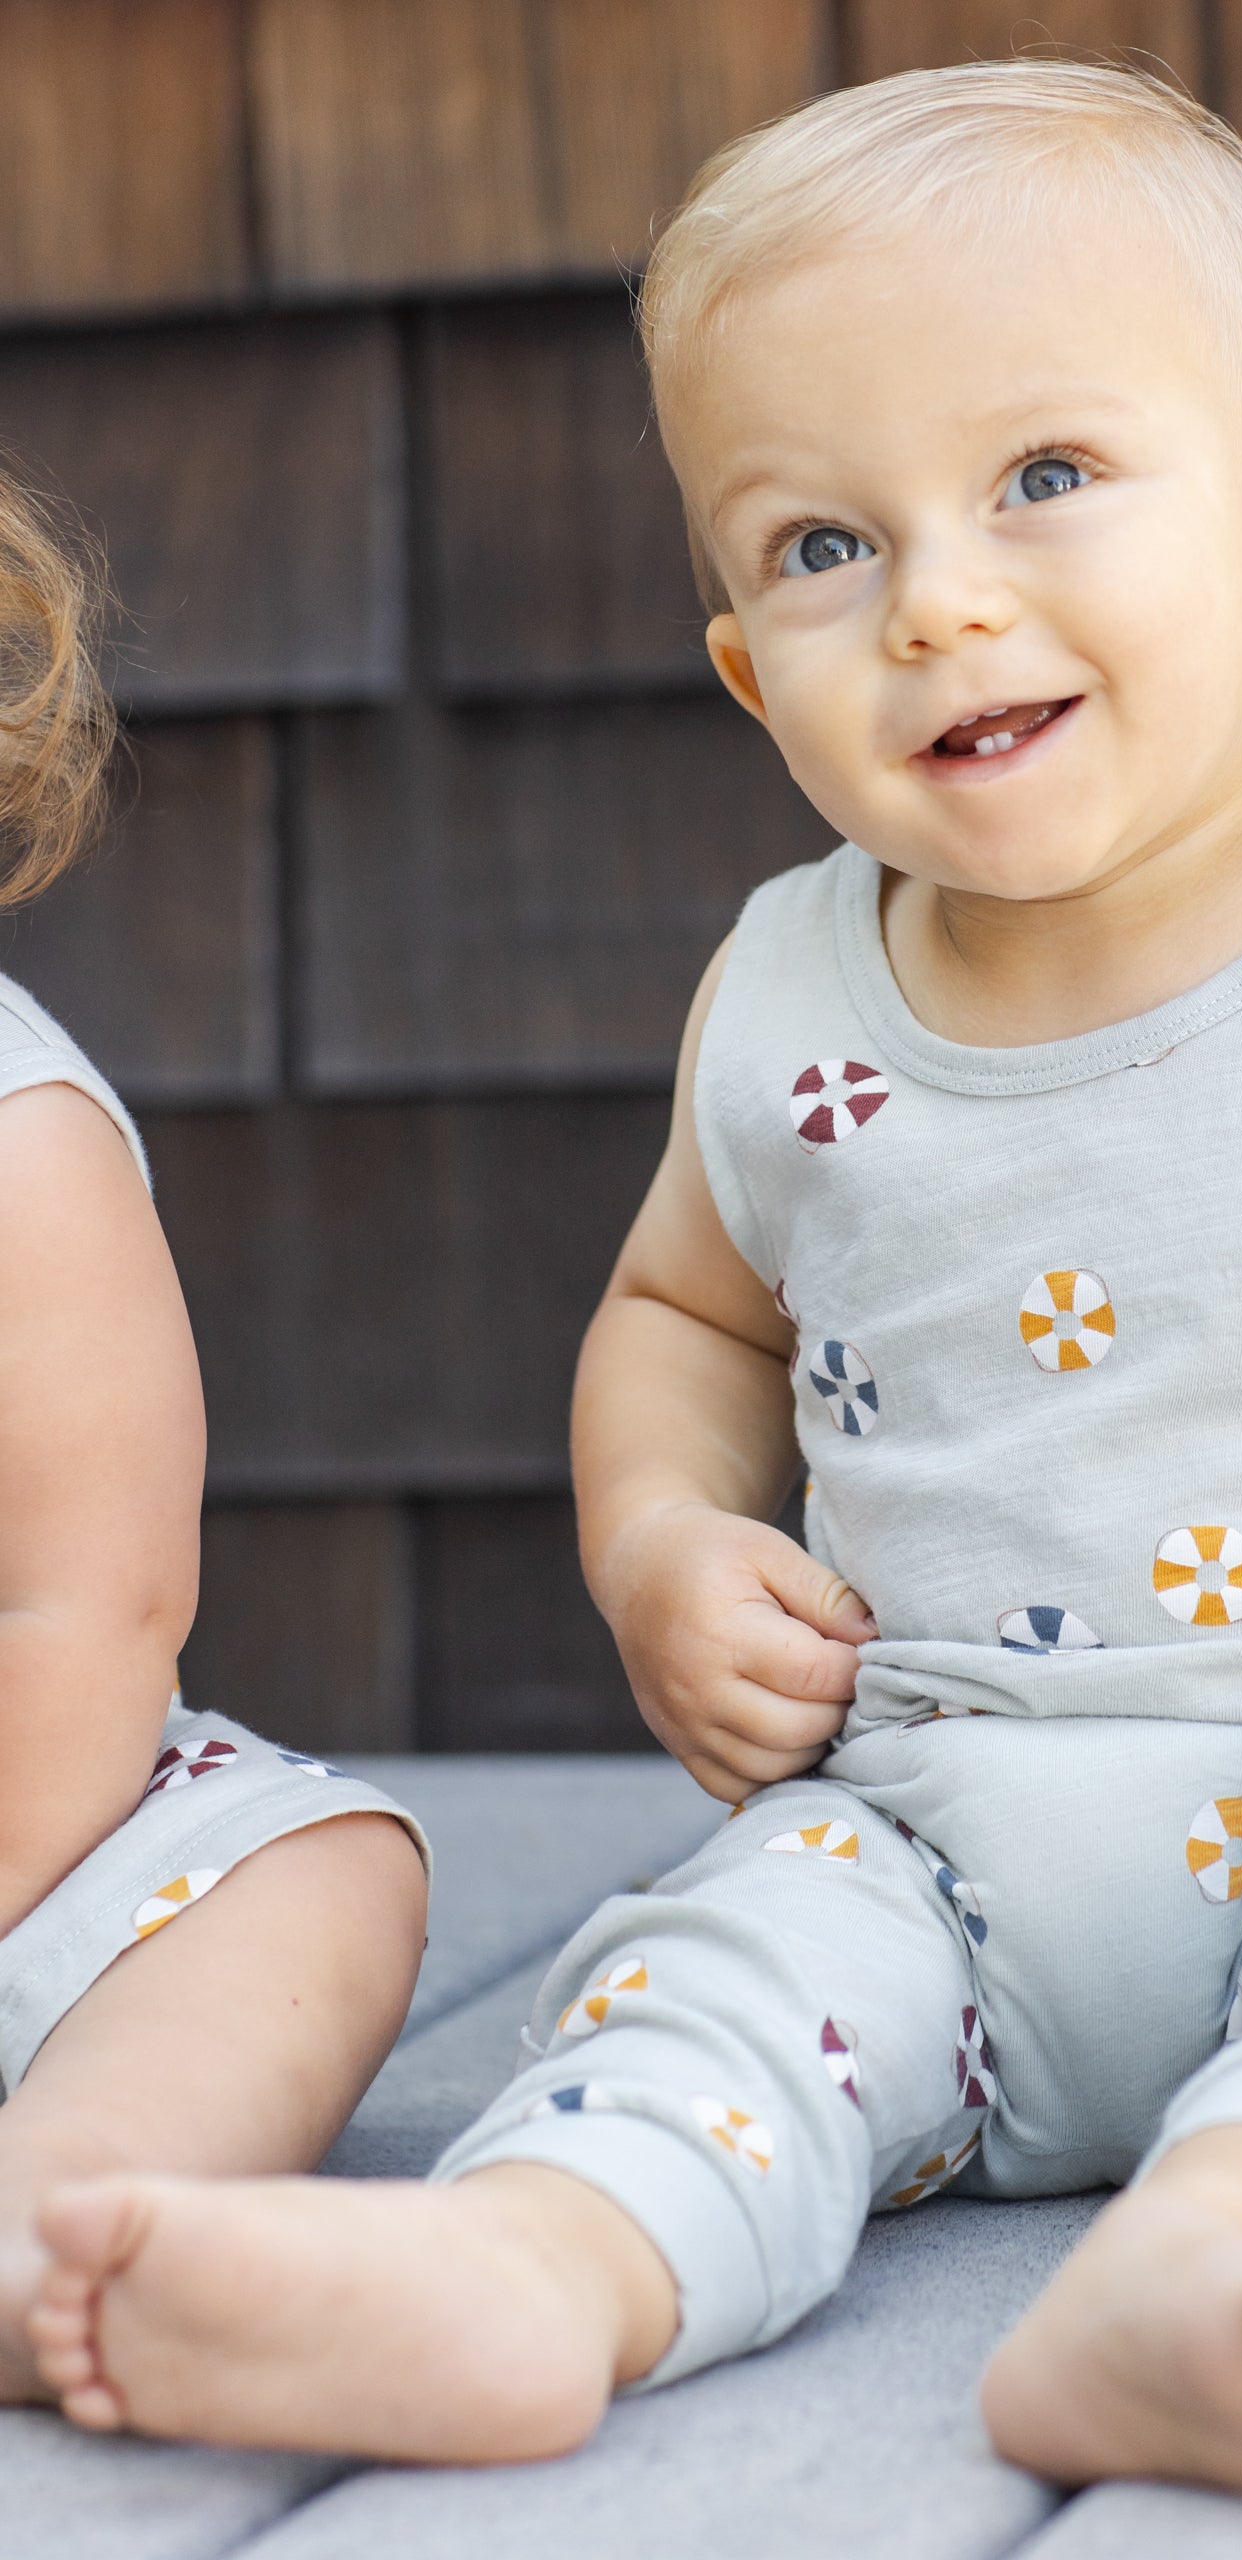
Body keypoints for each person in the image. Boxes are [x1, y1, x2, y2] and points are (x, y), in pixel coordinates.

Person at [25, 63, 1242, 2495]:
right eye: (820, 543)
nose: (937, 598)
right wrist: (660, 1538)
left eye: (1046, 476)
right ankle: (529, 2271)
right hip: (923, 1839)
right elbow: (683, 1324)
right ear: (744, 668)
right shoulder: (788, 991)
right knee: (710, 1985)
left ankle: (1234, 2257)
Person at [0, 469, 428, 2404]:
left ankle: (59, 2210)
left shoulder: (20, 1143)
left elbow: (82, 1619)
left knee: (317, 1872)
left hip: (30, 1830)